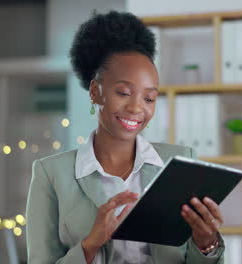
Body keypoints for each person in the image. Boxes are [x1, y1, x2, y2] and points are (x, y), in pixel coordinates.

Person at [26, 10, 225, 264]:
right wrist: (91, 243)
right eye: (123, 92)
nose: (137, 108)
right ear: (96, 92)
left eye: (149, 98)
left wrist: (206, 243)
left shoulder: (179, 160)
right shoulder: (51, 174)